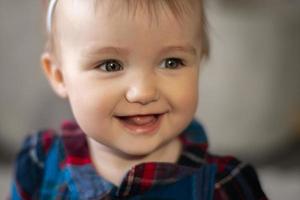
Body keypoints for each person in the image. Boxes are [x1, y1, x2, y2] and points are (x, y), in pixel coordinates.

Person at [10, 0, 268, 199]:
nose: (143, 92)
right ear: (59, 76)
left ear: (198, 63)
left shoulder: (226, 186)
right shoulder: (40, 165)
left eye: (171, 62)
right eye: (110, 65)